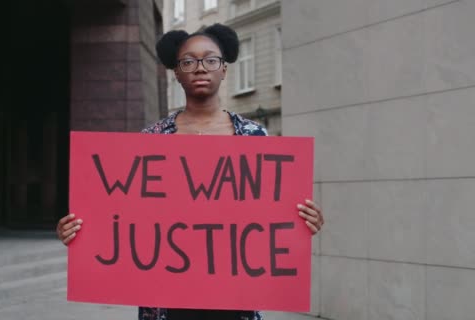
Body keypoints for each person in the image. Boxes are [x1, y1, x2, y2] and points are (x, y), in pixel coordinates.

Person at [57, 23, 324, 320]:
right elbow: (123, 216)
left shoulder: (254, 136)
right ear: (177, 73)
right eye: (188, 61)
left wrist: (301, 221)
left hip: (234, 297)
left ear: (224, 69)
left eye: (211, 60)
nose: (200, 68)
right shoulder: (151, 140)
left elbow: (271, 217)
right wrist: (82, 232)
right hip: (167, 300)